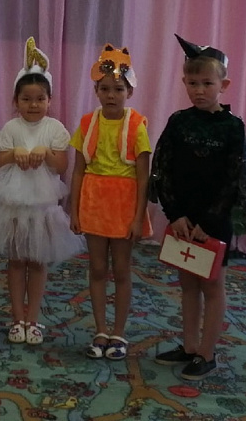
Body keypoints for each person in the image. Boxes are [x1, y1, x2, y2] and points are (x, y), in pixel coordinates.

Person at [150, 34, 246, 380]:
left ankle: (207, 353)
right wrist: (175, 215)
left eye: (207, 83)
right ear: (184, 82)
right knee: (187, 283)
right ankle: (188, 346)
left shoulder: (233, 128)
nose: (199, 90)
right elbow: (162, 169)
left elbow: (234, 179)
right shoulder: (178, 122)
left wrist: (210, 221)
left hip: (215, 220)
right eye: (193, 83)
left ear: (223, 85)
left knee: (212, 286)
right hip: (183, 219)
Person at [0, 37, 84, 345]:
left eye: (40, 98)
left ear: (49, 100)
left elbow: (61, 165)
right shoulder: (11, 128)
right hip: (14, 206)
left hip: (42, 206)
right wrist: (14, 154)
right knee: (16, 261)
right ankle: (17, 317)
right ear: (16, 101)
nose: (33, 104)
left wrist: (46, 152)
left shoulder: (54, 128)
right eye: (26, 99)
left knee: (39, 261)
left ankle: (33, 318)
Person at [69, 45, 152, 361]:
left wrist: (138, 217)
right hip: (94, 204)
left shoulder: (137, 125)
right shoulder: (87, 123)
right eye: (104, 89)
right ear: (96, 91)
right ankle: (101, 330)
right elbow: (78, 170)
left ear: (129, 91)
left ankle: (119, 332)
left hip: (123, 206)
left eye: (118, 89)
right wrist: (74, 210)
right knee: (97, 268)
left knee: (121, 268)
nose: (111, 95)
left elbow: (143, 178)